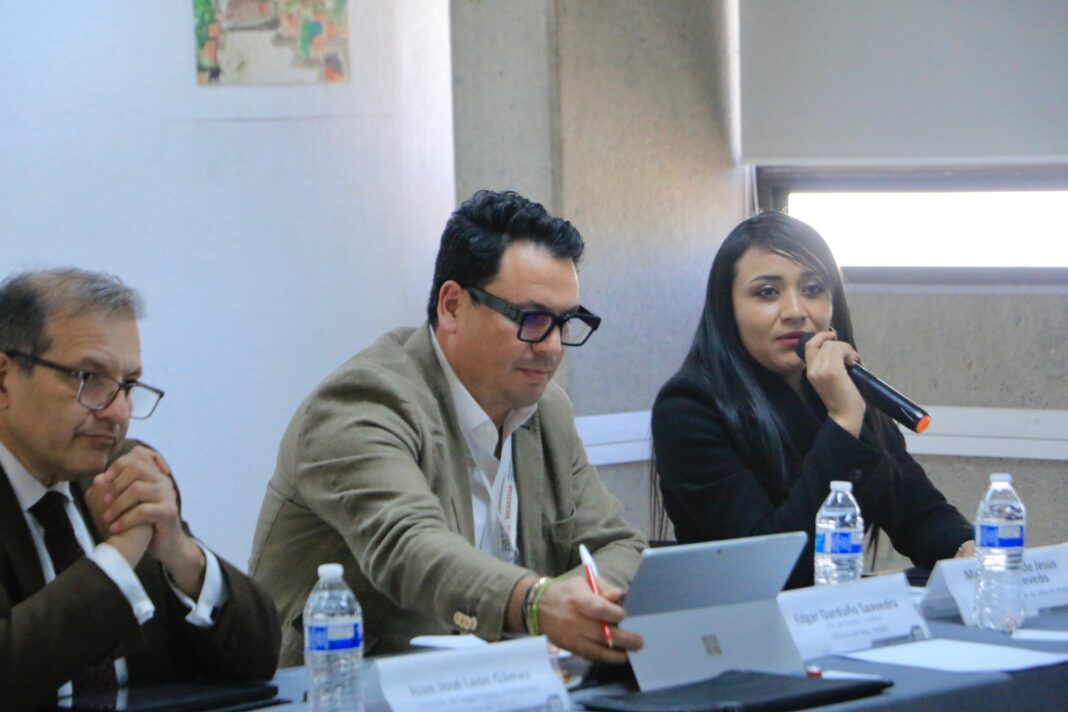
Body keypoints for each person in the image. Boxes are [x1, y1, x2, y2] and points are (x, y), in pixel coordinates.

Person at [250, 190, 646, 665]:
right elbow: (409, 546)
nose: (553, 346)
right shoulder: (362, 401)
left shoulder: (547, 412)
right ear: (453, 306)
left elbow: (617, 544)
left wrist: (578, 604)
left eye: (565, 322)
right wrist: (536, 603)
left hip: (506, 683)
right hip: (345, 686)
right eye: (533, 319)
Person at [0, 268, 280, 711]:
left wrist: (181, 556)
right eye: (88, 378)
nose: (118, 412)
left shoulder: (124, 471)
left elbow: (259, 659)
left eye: (128, 385)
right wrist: (118, 557)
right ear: (4, 380)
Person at [651, 212, 973, 589]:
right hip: (741, 615)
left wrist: (965, 549)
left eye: (813, 288)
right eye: (767, 292)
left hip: (838, 613)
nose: (795, 311)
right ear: (728, 308)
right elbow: (772, 568)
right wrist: (842, 422)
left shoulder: (842, 388)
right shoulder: (687, 407)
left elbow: (918, 513)